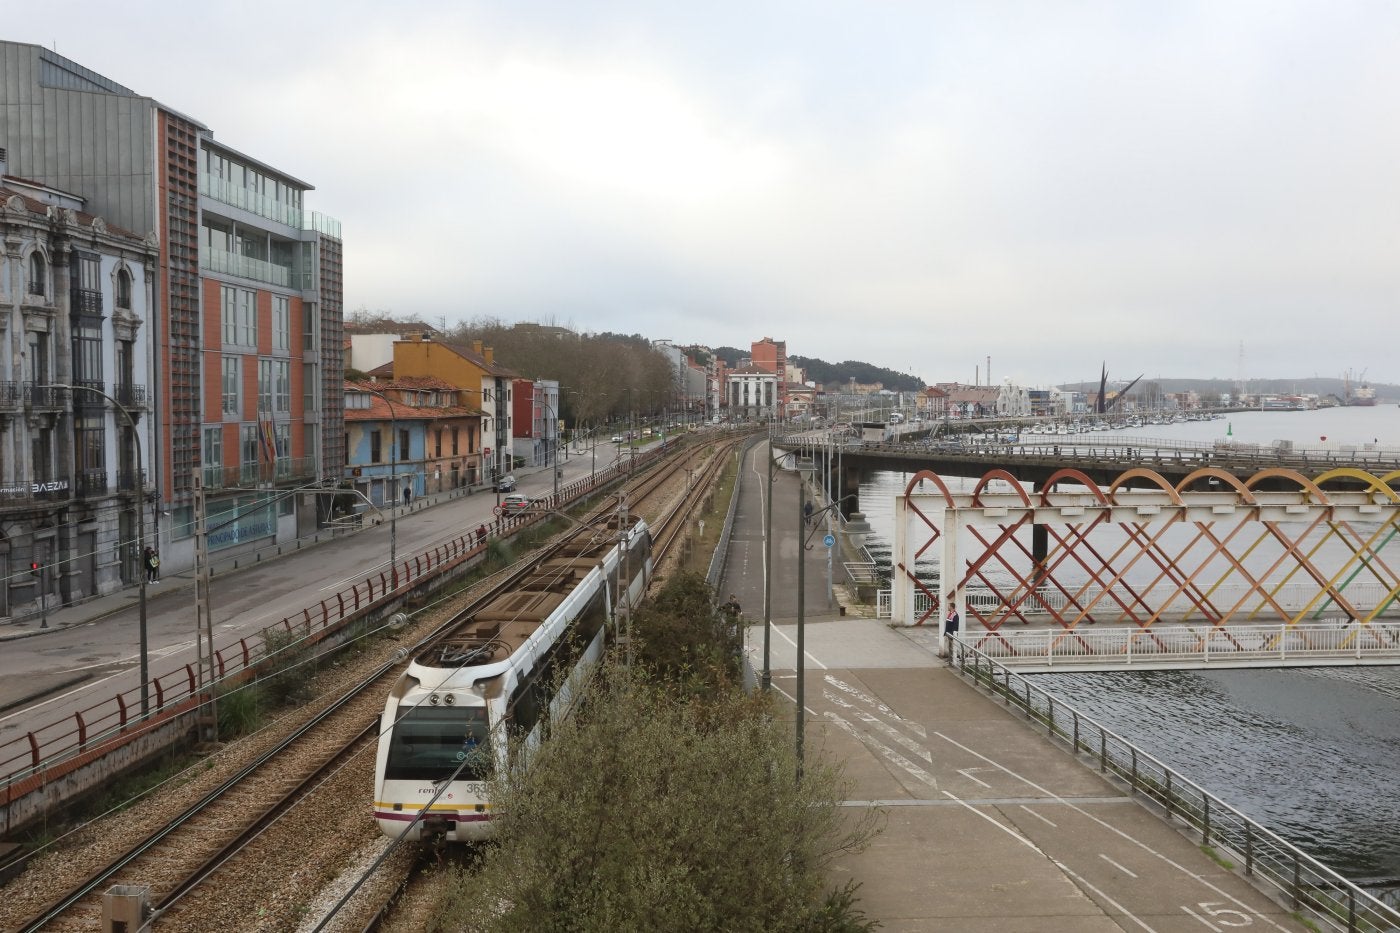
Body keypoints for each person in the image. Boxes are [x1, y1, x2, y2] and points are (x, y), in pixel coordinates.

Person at [941, 592, 959, 657]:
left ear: (951, 607)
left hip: (951, 633)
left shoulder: (955, 615)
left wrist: (952, 633)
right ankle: (950, 659)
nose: (947, 607)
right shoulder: (950, 614)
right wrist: (945, 632)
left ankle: (951, 659)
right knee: (949, 646)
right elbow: (948, 623)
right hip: (948, 633)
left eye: (948, 606)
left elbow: (955, 625)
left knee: (951, 647)